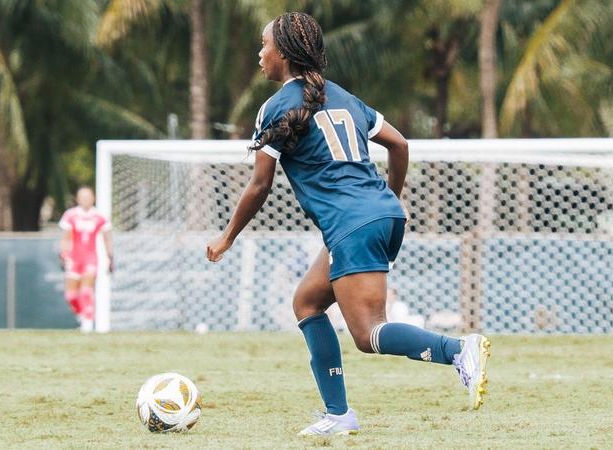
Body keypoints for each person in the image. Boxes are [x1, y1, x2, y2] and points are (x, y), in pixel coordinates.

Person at [206, 12, 490, 436]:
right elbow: (399, 144)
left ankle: (458, 349)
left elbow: (260, 184)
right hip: (377, 216)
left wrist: (227, 236)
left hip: (353, 223)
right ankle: (338, 415)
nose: (259, 53)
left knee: (368, 333)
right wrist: (389, 200)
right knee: (306, 302)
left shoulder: (275, 107)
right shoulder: (341, 96)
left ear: (284, 53)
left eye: (265, 45)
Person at [59, 186, 113, 333]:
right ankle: (82, 315)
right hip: (74, 259)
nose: (85, 199)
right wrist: (63, 255)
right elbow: (65, 238)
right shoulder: (70, 215)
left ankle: (87, 324)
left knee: (86, 291)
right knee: (71, 296)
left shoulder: (100, 216)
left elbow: (107, 239)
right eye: (82, 197)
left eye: (88, 196)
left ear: (93, 198)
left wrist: (110, 257)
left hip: (91, 259)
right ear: (77, 199)